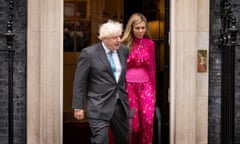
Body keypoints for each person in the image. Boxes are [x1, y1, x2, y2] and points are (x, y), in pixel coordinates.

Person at [72, 20, 130, 144]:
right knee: (101, 140)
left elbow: (121, 79)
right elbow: (79, 81)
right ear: (104, 38)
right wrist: (78, 107)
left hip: (120, 105)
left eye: (119, 36)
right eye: (115, 38)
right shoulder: (89, 54)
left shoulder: (123, 51)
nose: (119, 40)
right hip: (98, 105)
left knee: (123, 140)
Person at [121, 13, 156, 144]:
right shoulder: (124, 44)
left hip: (146, 86)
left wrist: (154, 90)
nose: (141, 31)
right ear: (131, 28)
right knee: (133, 124)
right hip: (128, 86)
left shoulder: (150, 44)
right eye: (137, 28)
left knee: (147, 120)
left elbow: (152, 68)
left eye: (143, 28)